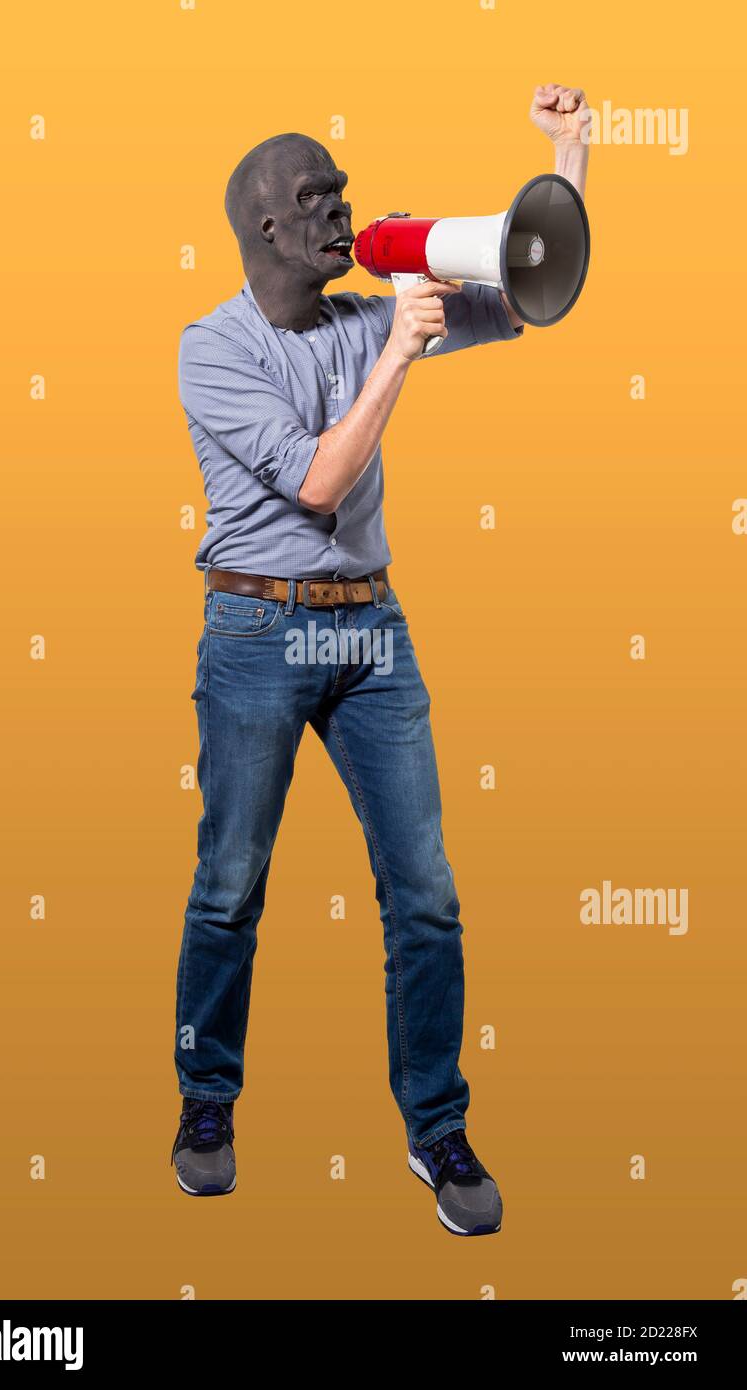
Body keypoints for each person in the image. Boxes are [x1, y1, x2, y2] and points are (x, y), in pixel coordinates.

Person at [171, 85, 590, 1235]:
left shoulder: (368, 309)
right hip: (256, 633)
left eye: (343, 192)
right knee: (229, 885)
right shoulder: (209, 348)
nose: (341, 211)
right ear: (265, 227)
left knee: (427, 895)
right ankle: (207, 1101)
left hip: (369, 634)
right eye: (317, 198)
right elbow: (317, 483)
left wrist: (569, 156)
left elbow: (529, 290)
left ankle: (435, 1125)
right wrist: (399, 351)